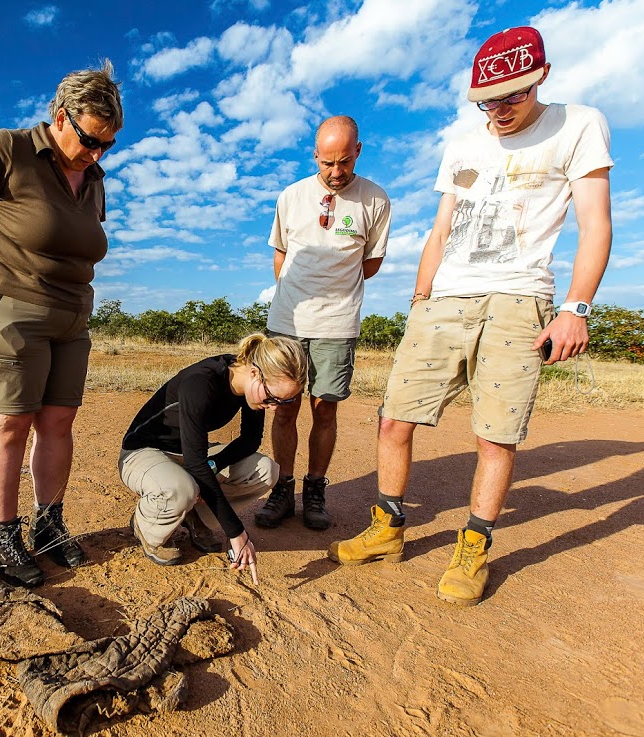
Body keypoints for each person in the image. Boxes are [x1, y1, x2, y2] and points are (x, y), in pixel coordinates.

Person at [328, 26, 613, 607]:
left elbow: (595, 224)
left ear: (542, 77)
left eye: (513, 96)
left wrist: (575, 309)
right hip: (445, 300)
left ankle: (475, 544)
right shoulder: (462, 142)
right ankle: (387, 527)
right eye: (488, 100)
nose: (500, 111)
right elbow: (442, 228)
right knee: (394, 419)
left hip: (519, 299)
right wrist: (420, 298)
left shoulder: (579, 125)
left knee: (495, 435)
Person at [0, 61, 122, 588]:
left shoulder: (94, 178)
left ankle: (49, 524)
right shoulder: (9, 148)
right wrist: (0, 276)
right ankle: (1, 536)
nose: (97, 153)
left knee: (58, 422)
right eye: (90, 140)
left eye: (107, 144)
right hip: (6, 309)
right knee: (9, 424)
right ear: (59, 117)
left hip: (71, 317)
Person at [254, 115, 391, 531]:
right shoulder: (291, 196)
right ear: (315, 155)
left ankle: (315, 490)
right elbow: (280, 257)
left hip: (337, 323)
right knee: (283, 408)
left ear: (358, 152)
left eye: (345, 162)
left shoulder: (375, 200)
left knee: (324, 408)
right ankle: (282, 488)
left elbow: (370, 263)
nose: (336, 172)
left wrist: (333, 292)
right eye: (327, 162)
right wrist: (298, 294)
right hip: (288, 320)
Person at [119, 334, 310, 585]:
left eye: (283, 401)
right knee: (181, 488)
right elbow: (197, 464)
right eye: (272, 398)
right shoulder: (201, 383)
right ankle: (147, 525)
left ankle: (195, 516)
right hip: (144, 453)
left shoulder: (251, 388)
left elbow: (250, 440)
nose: (274, 407)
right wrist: (237, 533)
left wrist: (215, 464)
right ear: (255, 373)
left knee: (266, 470)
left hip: (190, 453)